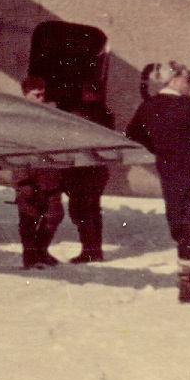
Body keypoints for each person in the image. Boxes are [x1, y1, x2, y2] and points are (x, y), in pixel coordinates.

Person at [126, 62, 190, 303]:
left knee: (181, 226)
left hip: (171, 174)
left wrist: (162, 150)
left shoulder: (148, 107)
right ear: (175, 80)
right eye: (189, 80)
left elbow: (134, 134)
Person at [14, 76, 64, 269]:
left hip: (49, 173)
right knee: (29, 218)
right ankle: (30, 258)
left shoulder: (51, 114)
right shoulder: (16, 116)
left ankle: (41, 251)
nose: (41, 99)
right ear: (25, 94)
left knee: (55, 215)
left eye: (43, 94)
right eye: (37, 95)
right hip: (27, 173)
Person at [60, 82, 113, 263]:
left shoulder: (80, 115)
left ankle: (90, 251)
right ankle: (94, 250)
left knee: (81, 211)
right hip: (98, 171)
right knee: (93, 210)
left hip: (83, 172)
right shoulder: (106, 114)